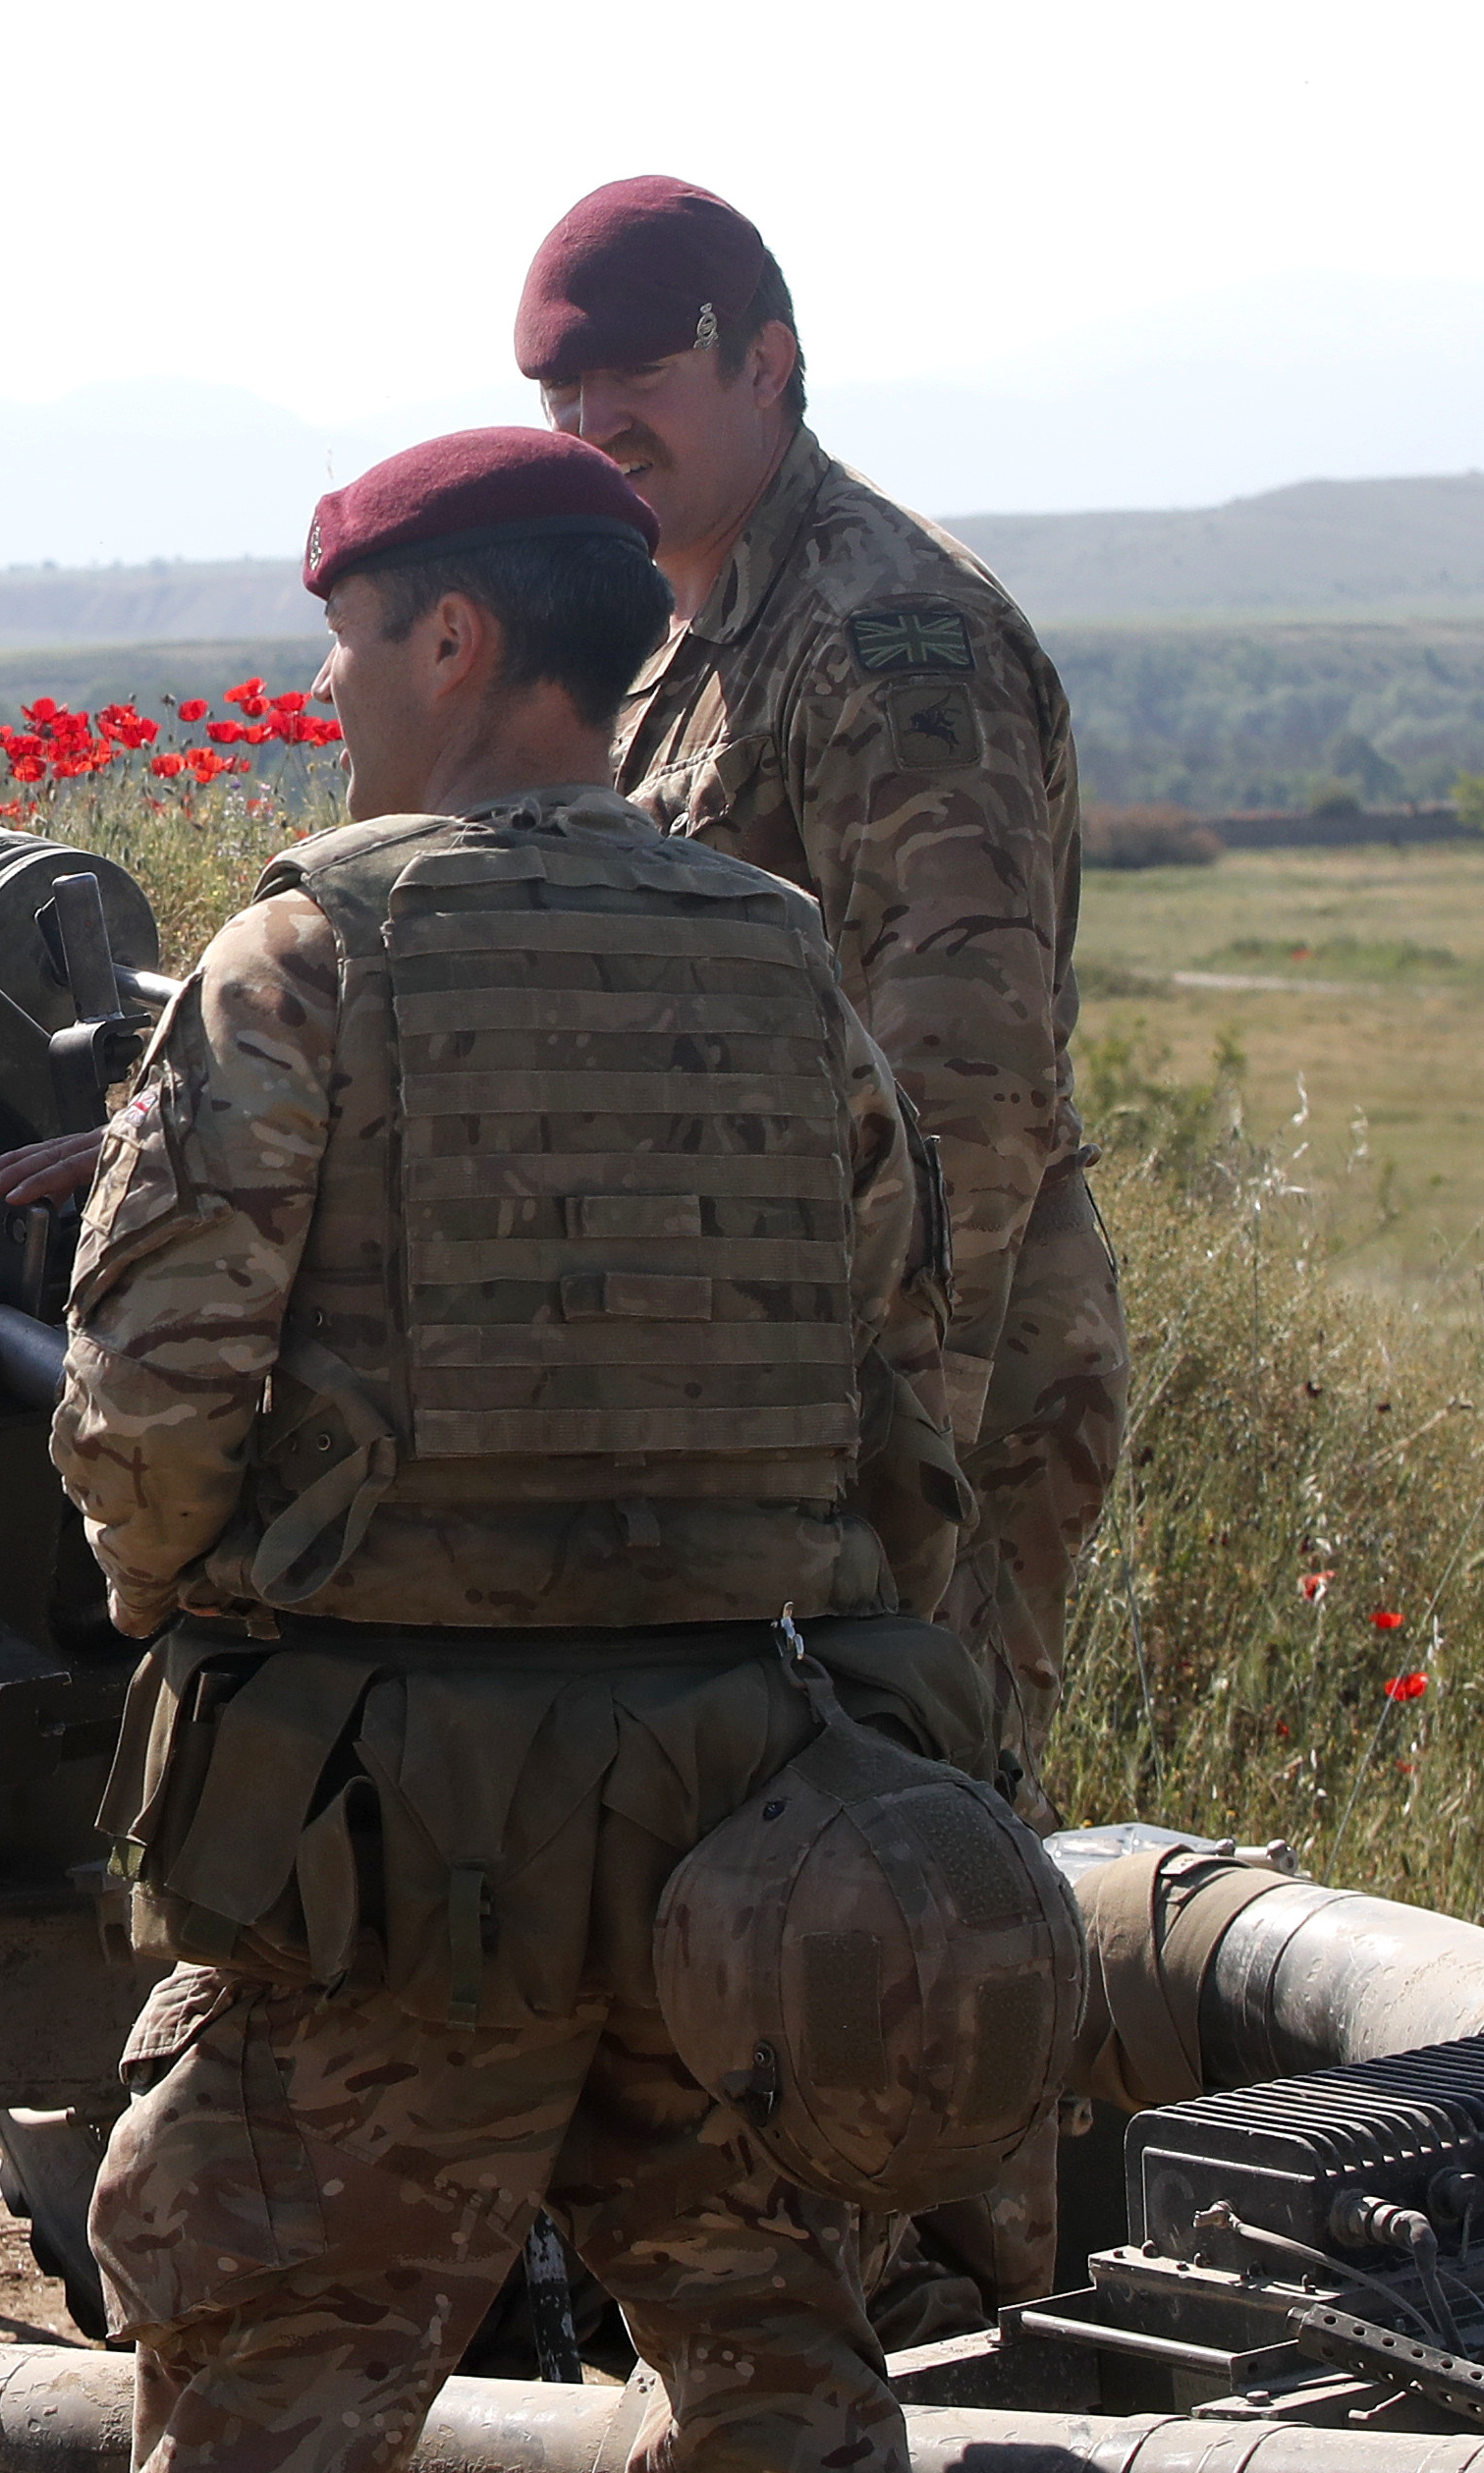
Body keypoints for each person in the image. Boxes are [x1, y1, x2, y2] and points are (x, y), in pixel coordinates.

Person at [54, 426, 997, 2473]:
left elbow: (150, 1407)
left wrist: (201, 1613)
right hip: (743, 1831)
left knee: (271, 2400)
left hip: (391, 1852)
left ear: (458, 636)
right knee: (785, 2390)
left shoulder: (307, 956)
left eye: (353, 645)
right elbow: (906, 1408)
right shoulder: (780, 954)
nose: (329, 696)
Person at [521, 176, 1124, 1823]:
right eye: (559, 394)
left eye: (635, 378)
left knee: (914, 1864)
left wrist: (892, 1470)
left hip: (910, 1384)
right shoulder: (671, 627)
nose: (591, 425)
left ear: (768, 361)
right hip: (763, 1369)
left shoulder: (883, 638)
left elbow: (966, 1102)